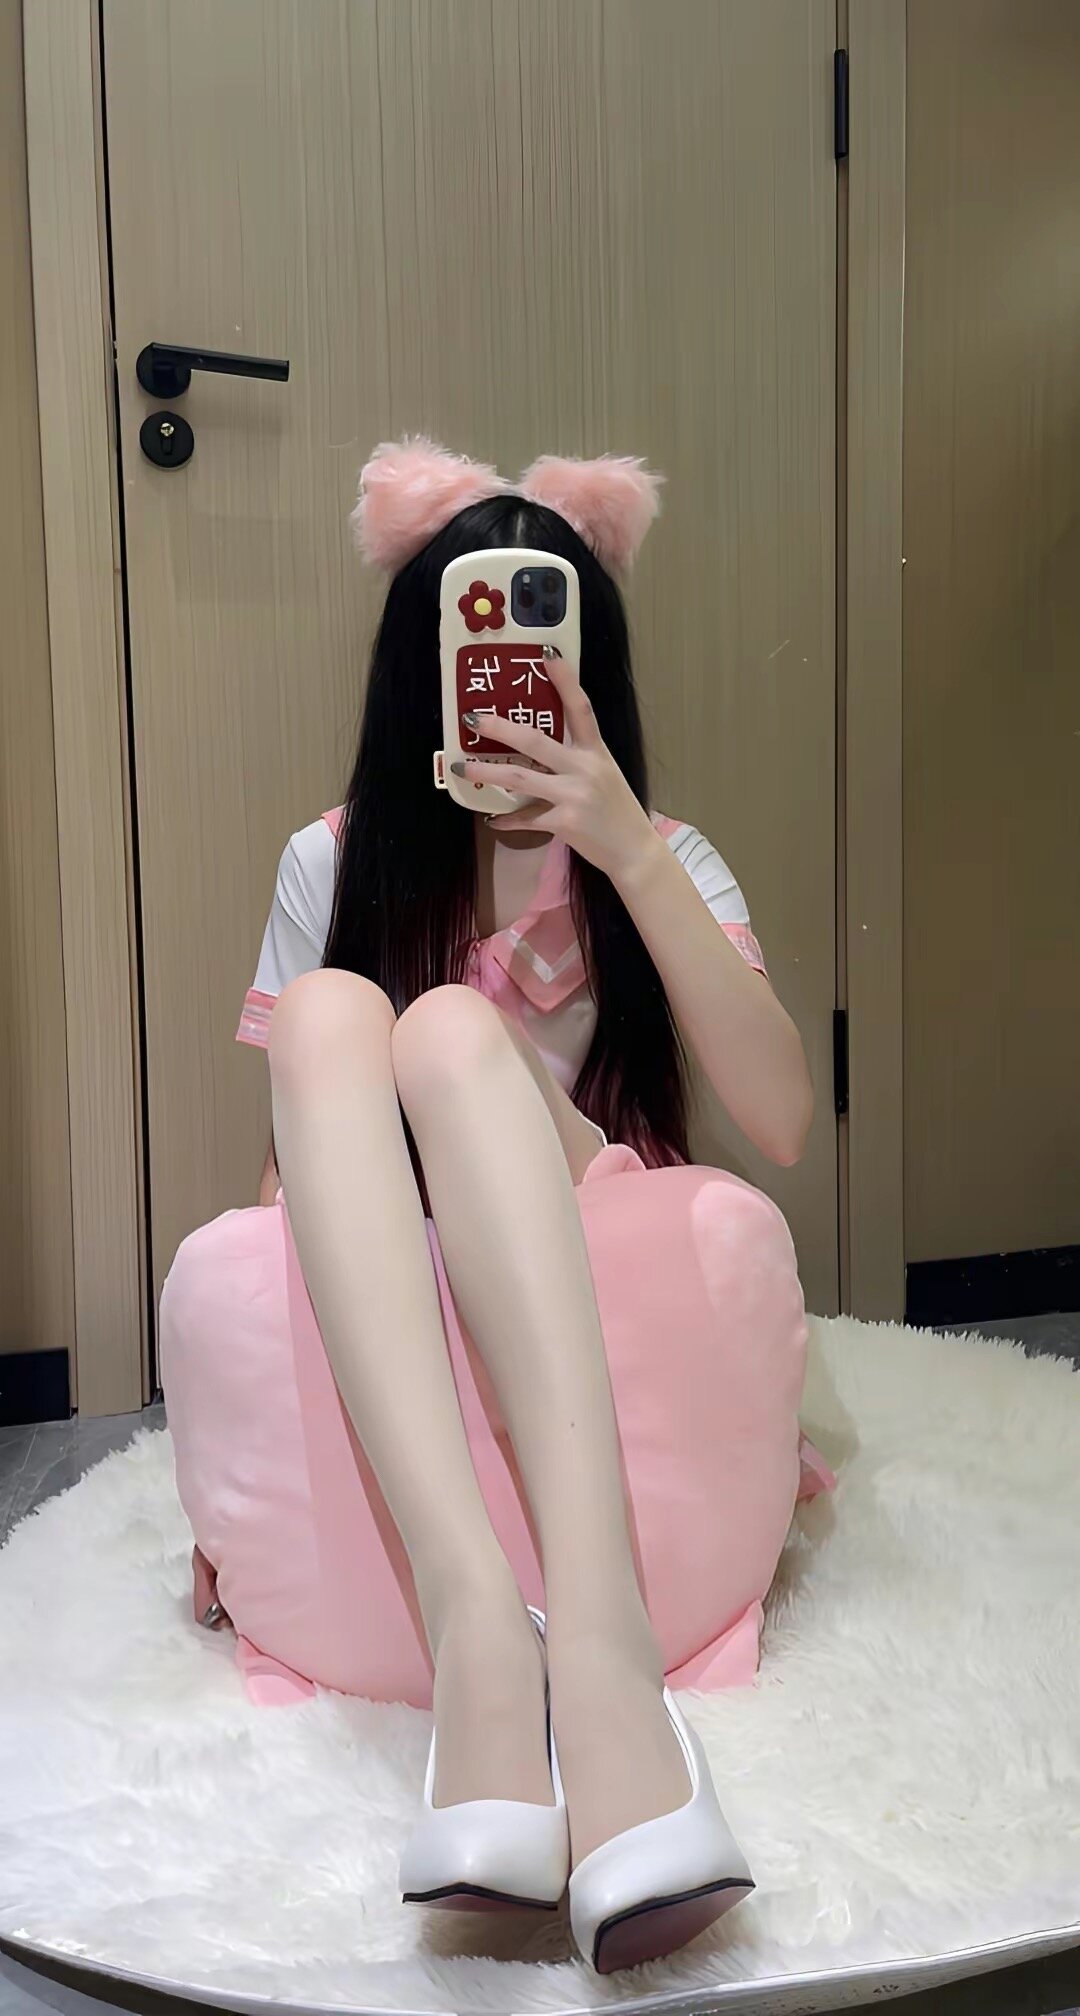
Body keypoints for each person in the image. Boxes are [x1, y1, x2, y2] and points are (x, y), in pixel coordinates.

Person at [237, 440, 814, 1971]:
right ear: (416, 677)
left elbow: (780, 1118)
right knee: (331, 1019)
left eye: (541, 657)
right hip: (426, 1286)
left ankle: (604, 1660)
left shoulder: (662, 859)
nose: (506, 689)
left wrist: (621, 844)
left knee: (443, 1029)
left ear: (586, 672)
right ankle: (484, 1634)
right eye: (472, 655)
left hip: (606, 1261)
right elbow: (288, 1181)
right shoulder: (333, 861)